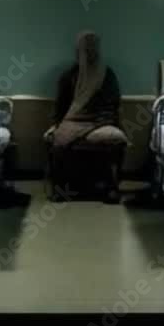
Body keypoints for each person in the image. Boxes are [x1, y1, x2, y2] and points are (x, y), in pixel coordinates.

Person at [45, 31, 128, 202]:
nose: (89, 53)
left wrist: (104, 120)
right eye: (86, 50)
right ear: (78, 52)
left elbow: (113, 104)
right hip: (74, 120)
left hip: (101, 120)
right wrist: (57, 124)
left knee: (114, 138)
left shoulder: (107, 74)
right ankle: (60, 187)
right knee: (59, 138)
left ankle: (111, 187)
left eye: (92, 49)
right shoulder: (69, 76)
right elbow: (61, 106)